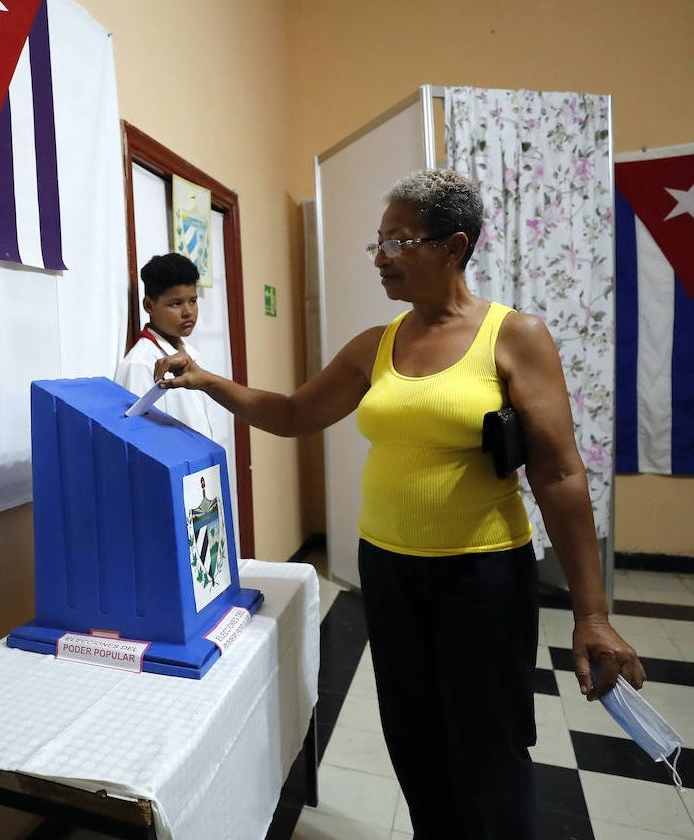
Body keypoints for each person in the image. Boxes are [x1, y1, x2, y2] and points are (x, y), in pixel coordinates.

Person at [153, 169, 645, 839]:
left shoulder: (513, 337)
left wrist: (592, 614)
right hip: (388, 572)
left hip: (483, 577)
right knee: (414, 740)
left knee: (489, 749)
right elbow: (295, 412)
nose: (382, 257)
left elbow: (559, 473)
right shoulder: (376, 346)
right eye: (378, 242)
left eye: (400, 241)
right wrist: (210, 382)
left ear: (454, 246)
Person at [115, 252, 221, 442]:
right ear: (149, 306)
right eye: (176, 304)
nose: (188, 312)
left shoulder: (190, 353)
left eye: (193, 301)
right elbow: (139, 439)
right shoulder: (140, 364)